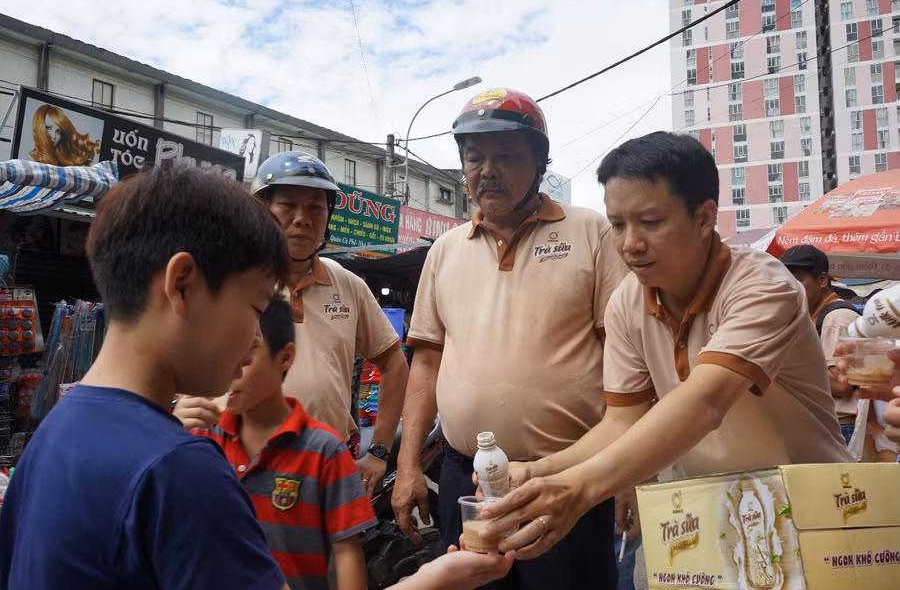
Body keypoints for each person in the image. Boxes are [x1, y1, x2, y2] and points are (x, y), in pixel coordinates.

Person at [0, 163, 516, 590]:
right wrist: (437, 580)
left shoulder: (54, 433)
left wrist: (379, 453)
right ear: (182, 285)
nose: (257, 341)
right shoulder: (182, 471)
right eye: (253, 306)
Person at [476, 131, 852, 558]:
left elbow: (706, 402)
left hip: (812, 517)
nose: (630, 244)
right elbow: (621, 423)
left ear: (705, 216)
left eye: (650, 223)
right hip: (716, 518)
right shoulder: (627, 302)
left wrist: (580, 488)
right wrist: (536, 472)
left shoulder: (764, 287)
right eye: (617, 224)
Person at [392, 87, 629, 589]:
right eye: (474, 158)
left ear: (540, 164)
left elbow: (626, 357)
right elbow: (427, 363)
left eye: (507, 157)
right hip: (464, 483)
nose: (487, 171)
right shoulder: (445, 251)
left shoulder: (593, 234)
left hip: (568, 479)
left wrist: (623, 471)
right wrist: (408, 463)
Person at [175, 151, 409, 497]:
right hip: (236, 463)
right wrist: (178, 406)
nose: (302, 219)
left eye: (316, 207)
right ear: (261, 210)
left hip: (328, 464)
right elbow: (177, 359)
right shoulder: (227, 281)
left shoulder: (349, 285)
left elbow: (394, 364)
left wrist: (378, 452)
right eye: (288, 205)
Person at [188, 297, 375, 590]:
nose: (229, 369)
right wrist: (169, 432)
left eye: (246, 352)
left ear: (285, 357)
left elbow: (346, 550)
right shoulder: (201, 439)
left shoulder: (324, 450)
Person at [779, 245, 860, 446]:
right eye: (785, 281)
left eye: (798, 280)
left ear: (823, 280)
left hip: (842, 427)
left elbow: (841, 384)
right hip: (824, 424)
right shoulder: (810, 317)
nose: (790, 288)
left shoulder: (838, 318)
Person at [29, 104, 100, 166]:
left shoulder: (64, 156)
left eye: (58, 132)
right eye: (49, 128)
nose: (53, 137)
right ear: (39, 127)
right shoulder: (31, 163)